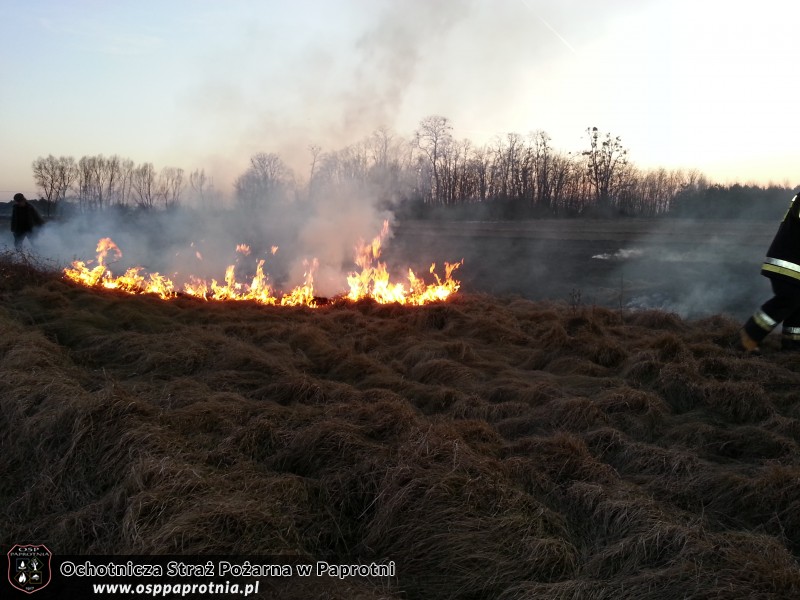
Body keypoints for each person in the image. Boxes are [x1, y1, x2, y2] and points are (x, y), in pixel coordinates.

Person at [740, 191, 800, 352]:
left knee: (797, 305)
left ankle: (792, 347)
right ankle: (747, 338)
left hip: (793, 268)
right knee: (787, 300)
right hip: (786, 265)